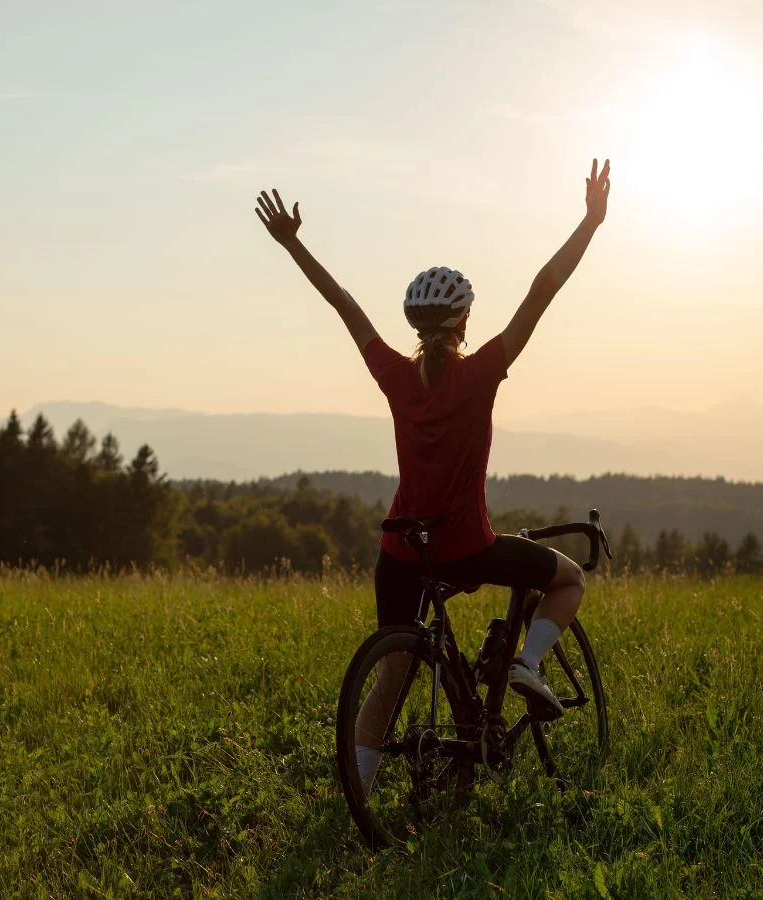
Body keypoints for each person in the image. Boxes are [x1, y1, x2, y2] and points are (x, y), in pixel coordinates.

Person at [255, 158, 611, 790]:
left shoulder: (394, 376)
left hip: (401, 551)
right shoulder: (479, 377)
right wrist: (590, 221)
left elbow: (344, 304)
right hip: (467, 550)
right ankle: (528, 665)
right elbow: (542, 289)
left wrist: (293, 244)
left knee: (393, 671)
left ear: (414, 327)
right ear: (464, 323)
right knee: (570, 577)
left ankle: (358, 797)